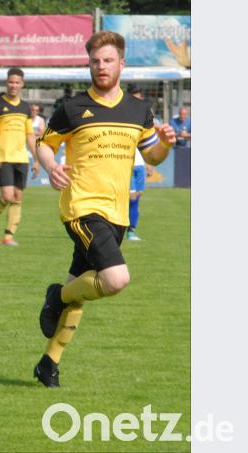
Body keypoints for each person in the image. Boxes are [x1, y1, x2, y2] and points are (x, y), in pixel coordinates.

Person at [33, 31, 176, 387]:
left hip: (118, 214)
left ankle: (48, 363)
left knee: (82, 286)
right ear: (90, 64)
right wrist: (52, 167)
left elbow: (152, 155)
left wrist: (167, 146)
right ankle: (56, 296)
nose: (101, 67)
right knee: (115, 279)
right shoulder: (71, 107)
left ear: (121, 64)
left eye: (108, 60)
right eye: (95, 61)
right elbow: (44, 144)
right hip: (82, 208)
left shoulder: (139, 110)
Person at [0, 68, 39, 246]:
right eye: (11, 82)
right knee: (7, 196)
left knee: (18, 197)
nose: (13, 85)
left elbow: (30, 135)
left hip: (21, 158)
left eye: (17, 82)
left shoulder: (25, 107)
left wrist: (36, 159)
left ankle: (8, 237)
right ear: (7, 83)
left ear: (22, 84)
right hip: (2, 156)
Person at [125, 85, 153, 241]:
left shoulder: (143, 116)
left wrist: (148, 164)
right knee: (131, 197)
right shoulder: (122, 115)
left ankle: (131, 230)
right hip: (127, 164)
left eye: (139, 96)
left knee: (137, 198)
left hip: (140, 165)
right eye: (135, 96)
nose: (138, 99)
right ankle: (128, 230)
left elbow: (146, 143)